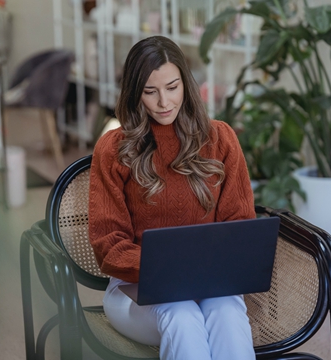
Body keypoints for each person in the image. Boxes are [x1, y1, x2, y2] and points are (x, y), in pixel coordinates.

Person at [88, 35, 256, 360]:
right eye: (150, 92)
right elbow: (108, 243)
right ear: (135, 94)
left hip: (209, 285)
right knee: (182, 315)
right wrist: (167, 269)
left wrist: (200, 272)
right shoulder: (113, 149)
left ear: (186, 84)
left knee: (228, 312)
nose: (163, 102)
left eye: (172, 87)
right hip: (133, 290)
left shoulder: (220, 139)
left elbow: (239, 226)